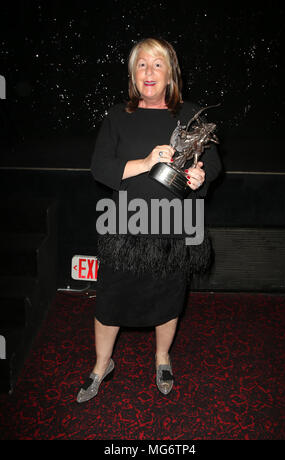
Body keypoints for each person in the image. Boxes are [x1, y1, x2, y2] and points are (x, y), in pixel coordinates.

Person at [77, 37, 222, 403]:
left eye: (158, 64)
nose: (149, 72)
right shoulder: (116, 116)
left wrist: (201, 176)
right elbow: (100, 168)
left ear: (171, 73)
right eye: (141, 64)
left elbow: (214, 162)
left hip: (174, 225)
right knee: (109, 302)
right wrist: (145, 162)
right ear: (132, 74)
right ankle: (101, 364)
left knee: (168, 299)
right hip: (126, 226)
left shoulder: (189, 113)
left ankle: (161, 357)